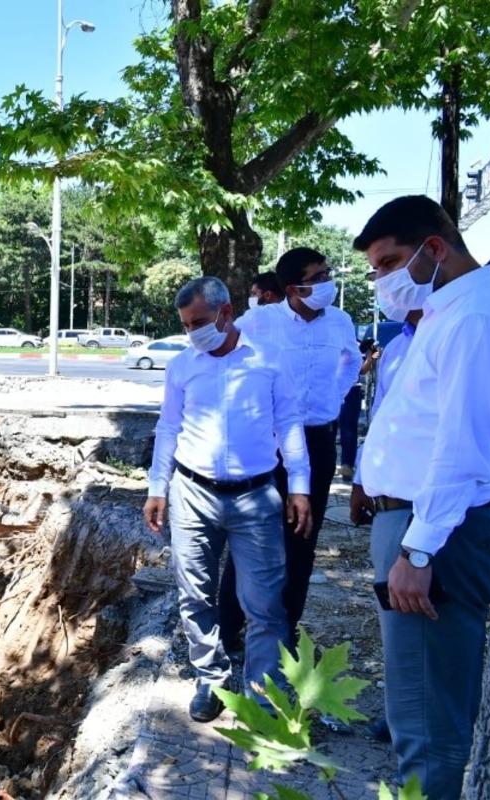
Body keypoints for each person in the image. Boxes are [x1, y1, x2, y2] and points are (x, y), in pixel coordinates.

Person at [353, 195, 490, 800]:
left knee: (424, 717)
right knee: (429, 700)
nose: (382, 281)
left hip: (434, 531)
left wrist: (417, 553)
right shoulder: (453, 312)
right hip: (422, 525)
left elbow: (461, 449)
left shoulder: (475, 317)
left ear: (434, 248)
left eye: (390, 262)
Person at [143, 276, 311, 723]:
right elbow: (168, 429)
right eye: (185, 325)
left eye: (198, 321)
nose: (192, 332)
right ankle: (211, 678)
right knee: (195, 595)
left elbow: (290, 424)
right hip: (193, 493)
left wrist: (299, 486)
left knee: (265, 604)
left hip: (255, 497)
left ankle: (261, 697)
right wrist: (157, 488)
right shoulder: (183, 366)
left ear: (226, 312)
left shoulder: (268, 361)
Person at [218, 248, 361, 649]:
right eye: (318, 277)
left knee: (302, 538)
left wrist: (334, 396)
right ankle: (228, 629)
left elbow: (352, 362)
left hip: (317, 441)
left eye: (327, 272)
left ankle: (284, 630)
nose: (327, 282)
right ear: (294, 287)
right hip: (271, 443)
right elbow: (223, 348)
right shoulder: (262, 321)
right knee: (253, 534)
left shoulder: (340, 322)